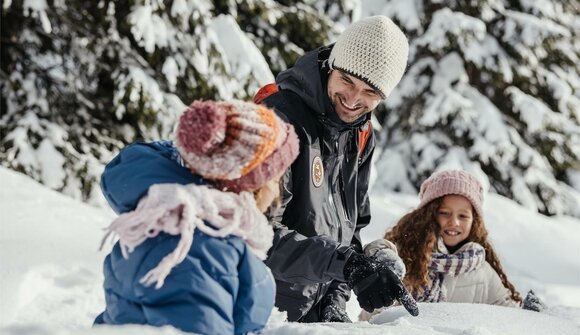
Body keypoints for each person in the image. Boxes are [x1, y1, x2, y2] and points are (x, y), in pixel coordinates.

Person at [99, 15, 418, 323]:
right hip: (265, 310)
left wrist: (336, 302)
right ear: (331, 65)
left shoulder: (360, 133)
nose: (353, 99)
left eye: (370, 92)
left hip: (311, 315)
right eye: (346, 81)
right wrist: (345, 265)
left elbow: (349, 229)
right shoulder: (278, 123)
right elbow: (258, 231)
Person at [94, 100, 300, 334]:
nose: (278, 192)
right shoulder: (196, 250)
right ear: (247, 186)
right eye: (274, 179)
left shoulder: (200, 231)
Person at [359, 169, 528, 321]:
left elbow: (510, 315)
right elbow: (371, 315)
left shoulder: (482, 272)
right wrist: (378, 261)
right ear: (428, 215)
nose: (454, 222)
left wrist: (532, 313)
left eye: (463, 216)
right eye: (444, 213)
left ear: (474, 221)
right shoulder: (405, 258)